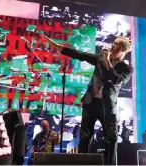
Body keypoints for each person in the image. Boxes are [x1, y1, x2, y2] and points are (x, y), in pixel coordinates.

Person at [41, 35, 133, 165]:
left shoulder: (126, 68)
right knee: (85, 137)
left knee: (111, 139)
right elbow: (81, 55)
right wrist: (59, 47)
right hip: (91, 102)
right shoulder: (100, 58)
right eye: (112, 43)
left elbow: (117, 80)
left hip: (108, 106)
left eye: (116, 44)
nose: (112, 45)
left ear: (122, 48)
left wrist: (107, 61)